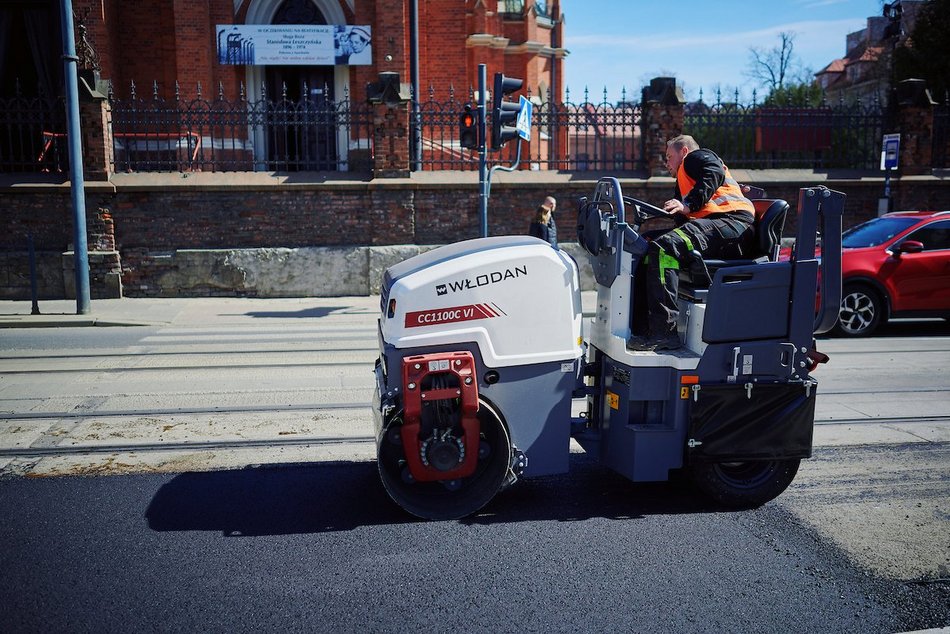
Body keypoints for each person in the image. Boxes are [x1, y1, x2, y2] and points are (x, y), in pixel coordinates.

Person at [630, 135, 755, 351]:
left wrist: (688, 203)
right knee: (649, 245)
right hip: (713, 223)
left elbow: (713, 172)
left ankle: (664, 334)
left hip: (732, 222)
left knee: (665, 248)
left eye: (669, 156)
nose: (666, 162)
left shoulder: (697, 158)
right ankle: (642, 329)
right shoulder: (683, 180)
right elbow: (684, 220)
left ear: (684, 152)